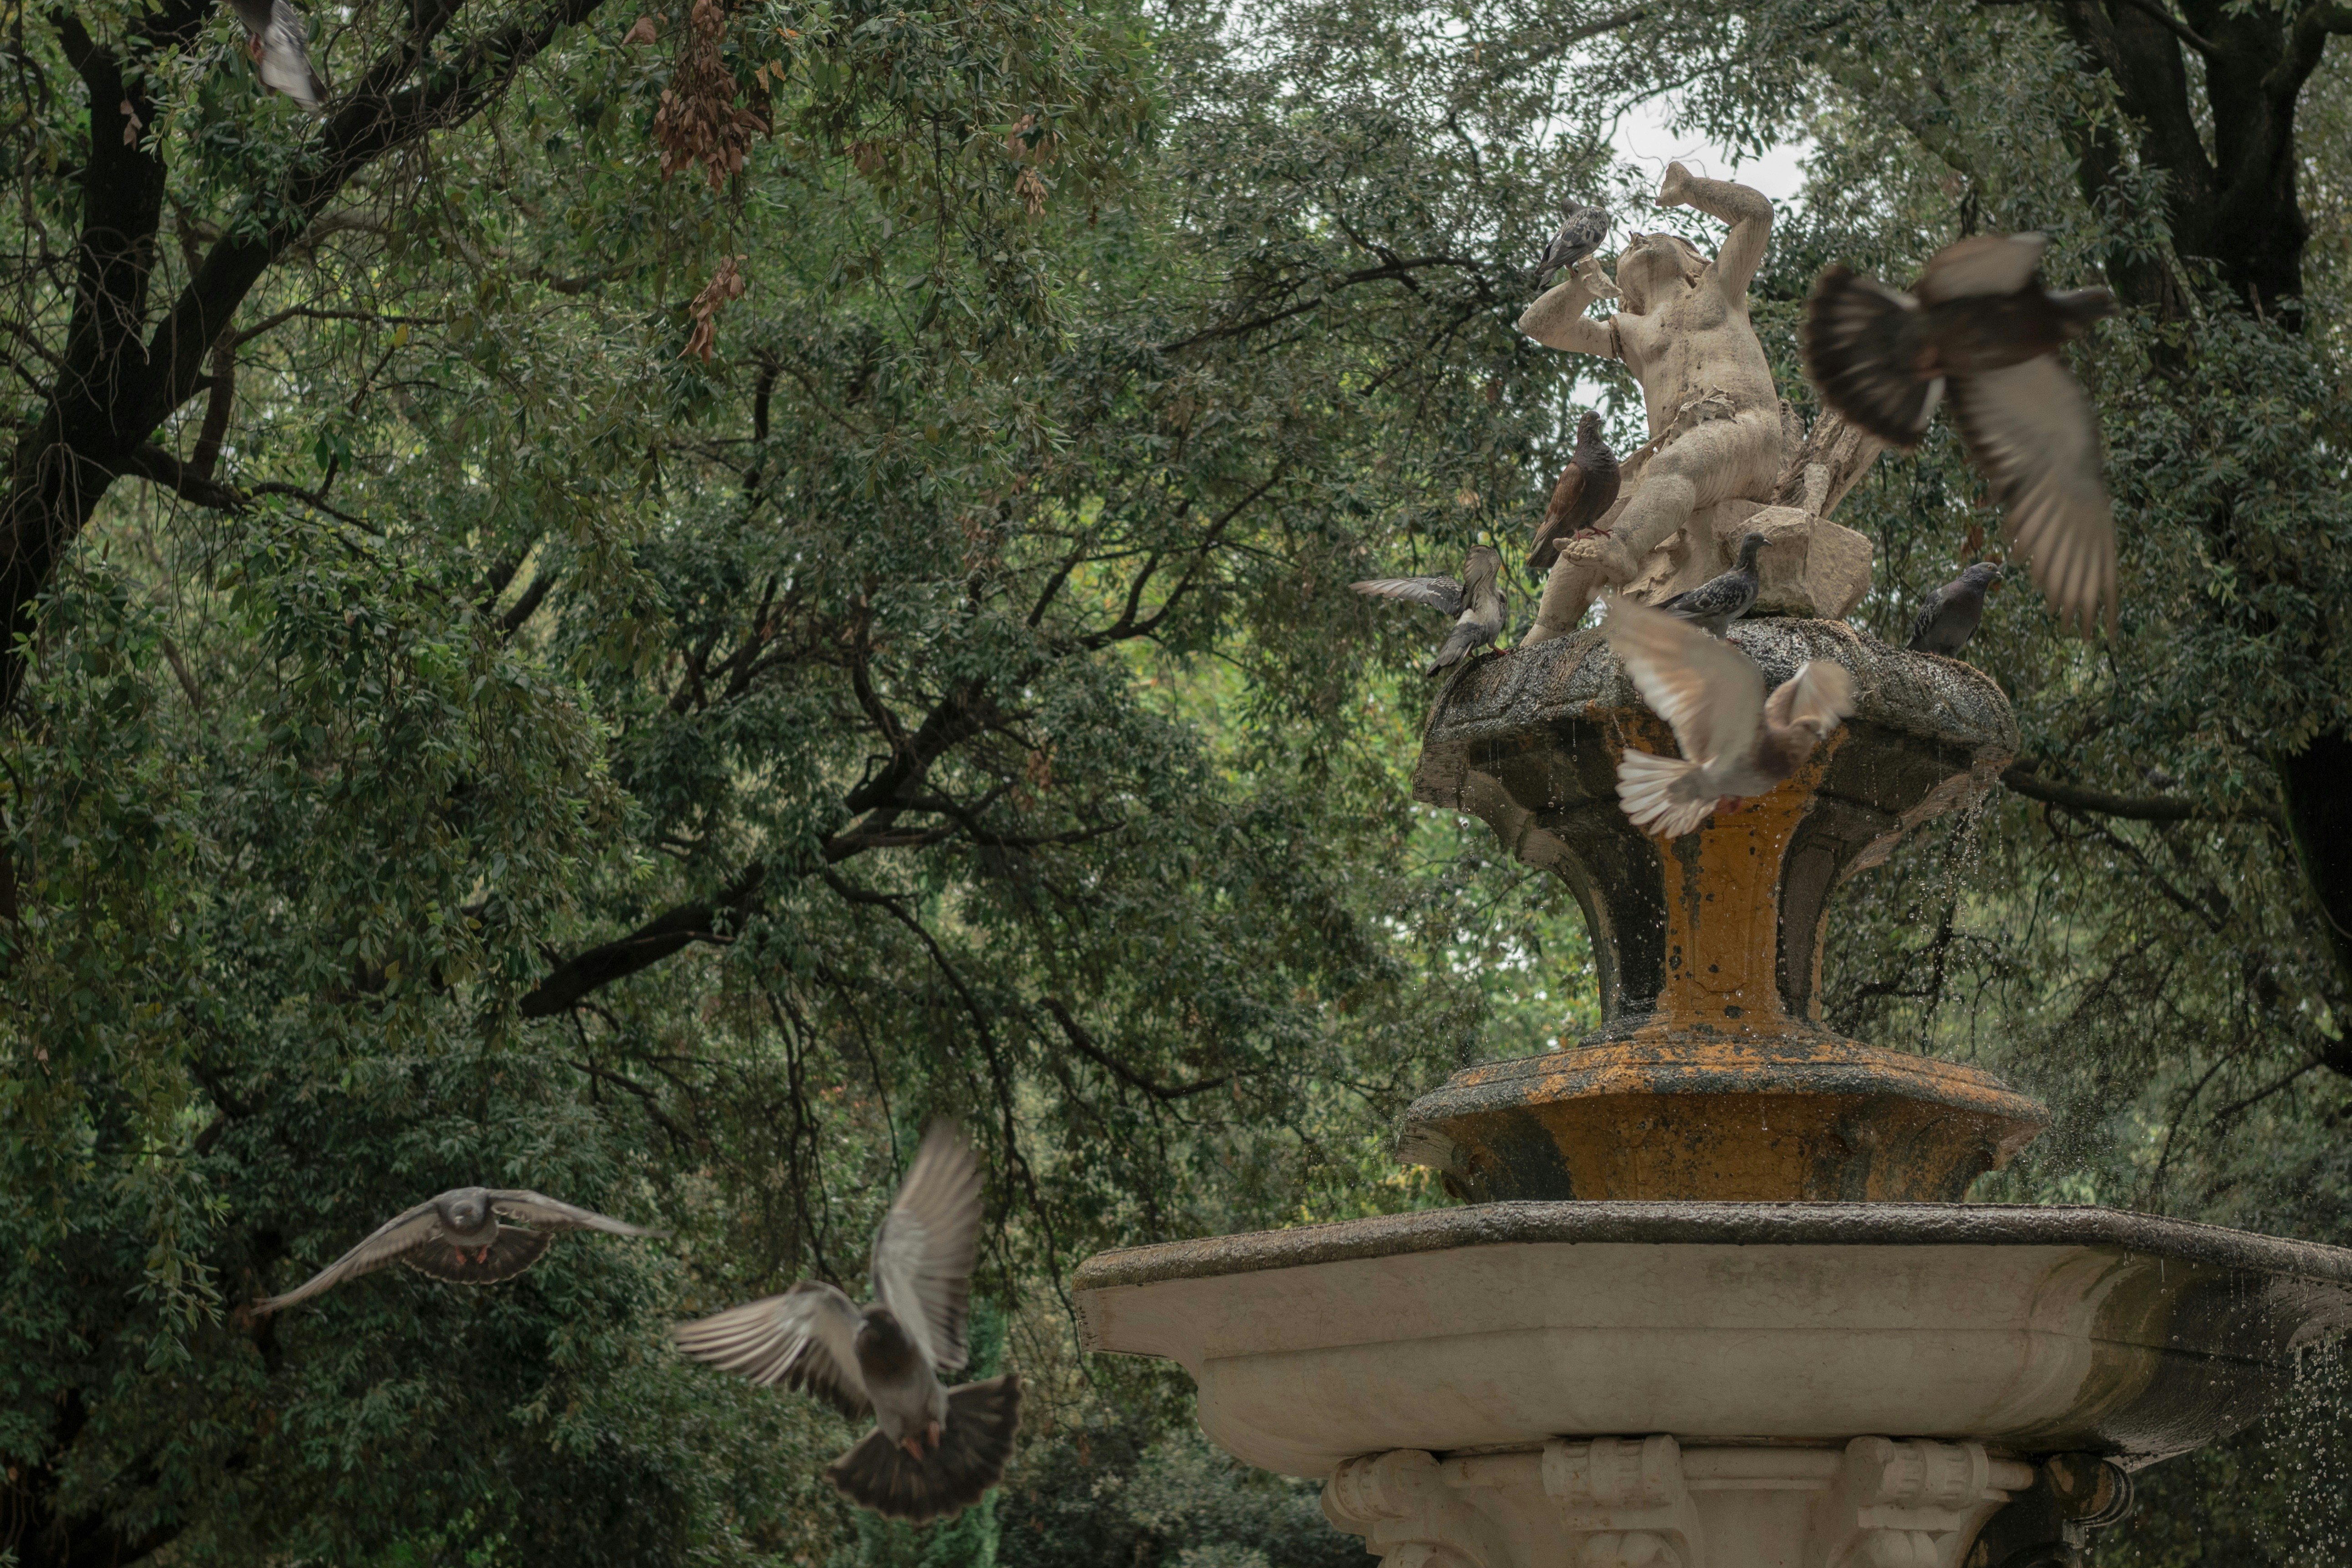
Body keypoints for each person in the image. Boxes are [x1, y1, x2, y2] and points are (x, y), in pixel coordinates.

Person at [1516, 162, 1782, 644]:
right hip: (1683, 458)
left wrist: (1690, 190)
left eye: (1655, 236)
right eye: (1627, 244)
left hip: (1747, 430)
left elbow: (1757, 215)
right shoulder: (1629, 331)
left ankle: (1623, 551)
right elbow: (1538, 327)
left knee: (1671, 467)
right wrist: (1578, 285)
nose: (1636, 238)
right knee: (1594, 521)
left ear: (1689, 259)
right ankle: (1544, 633)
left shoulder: (1718, 289)